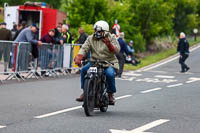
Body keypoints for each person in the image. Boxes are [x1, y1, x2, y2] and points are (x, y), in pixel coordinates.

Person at [74, 20, 120, 105]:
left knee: (110, 74)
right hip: (94, 61)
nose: (97, 32)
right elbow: (84, 48)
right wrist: (79, 57)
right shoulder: (90, 38)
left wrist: (109, 44)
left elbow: (117, 50)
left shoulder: (112, 37)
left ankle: (110, 94)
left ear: (105, 31)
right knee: (84, 70)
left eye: (100, 31)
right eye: (96, 30)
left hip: (108, 62)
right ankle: (85, 91)